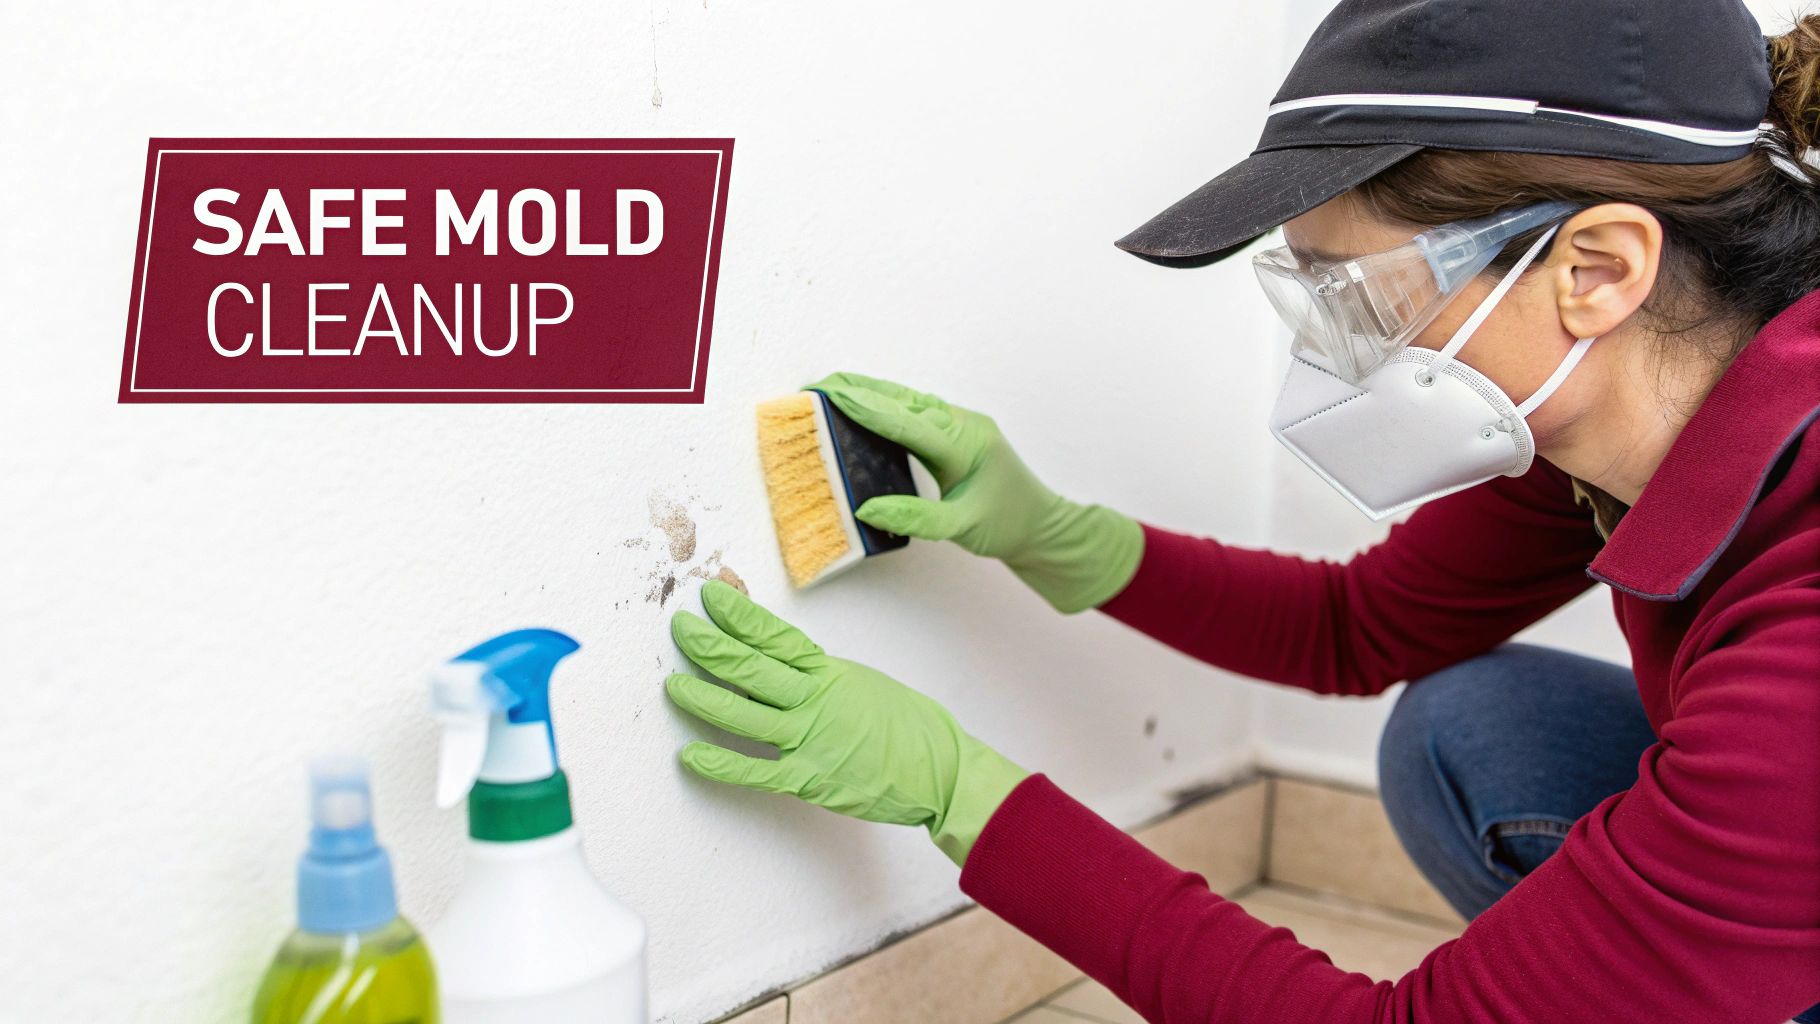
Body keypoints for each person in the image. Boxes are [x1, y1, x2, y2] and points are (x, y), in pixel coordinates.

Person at [662, 1, 1820, 1020]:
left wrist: (966, 793)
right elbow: (1357, 628)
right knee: (1471, 728)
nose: (1334, 352)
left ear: (1594, 269)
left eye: (1359, 297)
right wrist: (1053, 534)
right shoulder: (1621, 409)